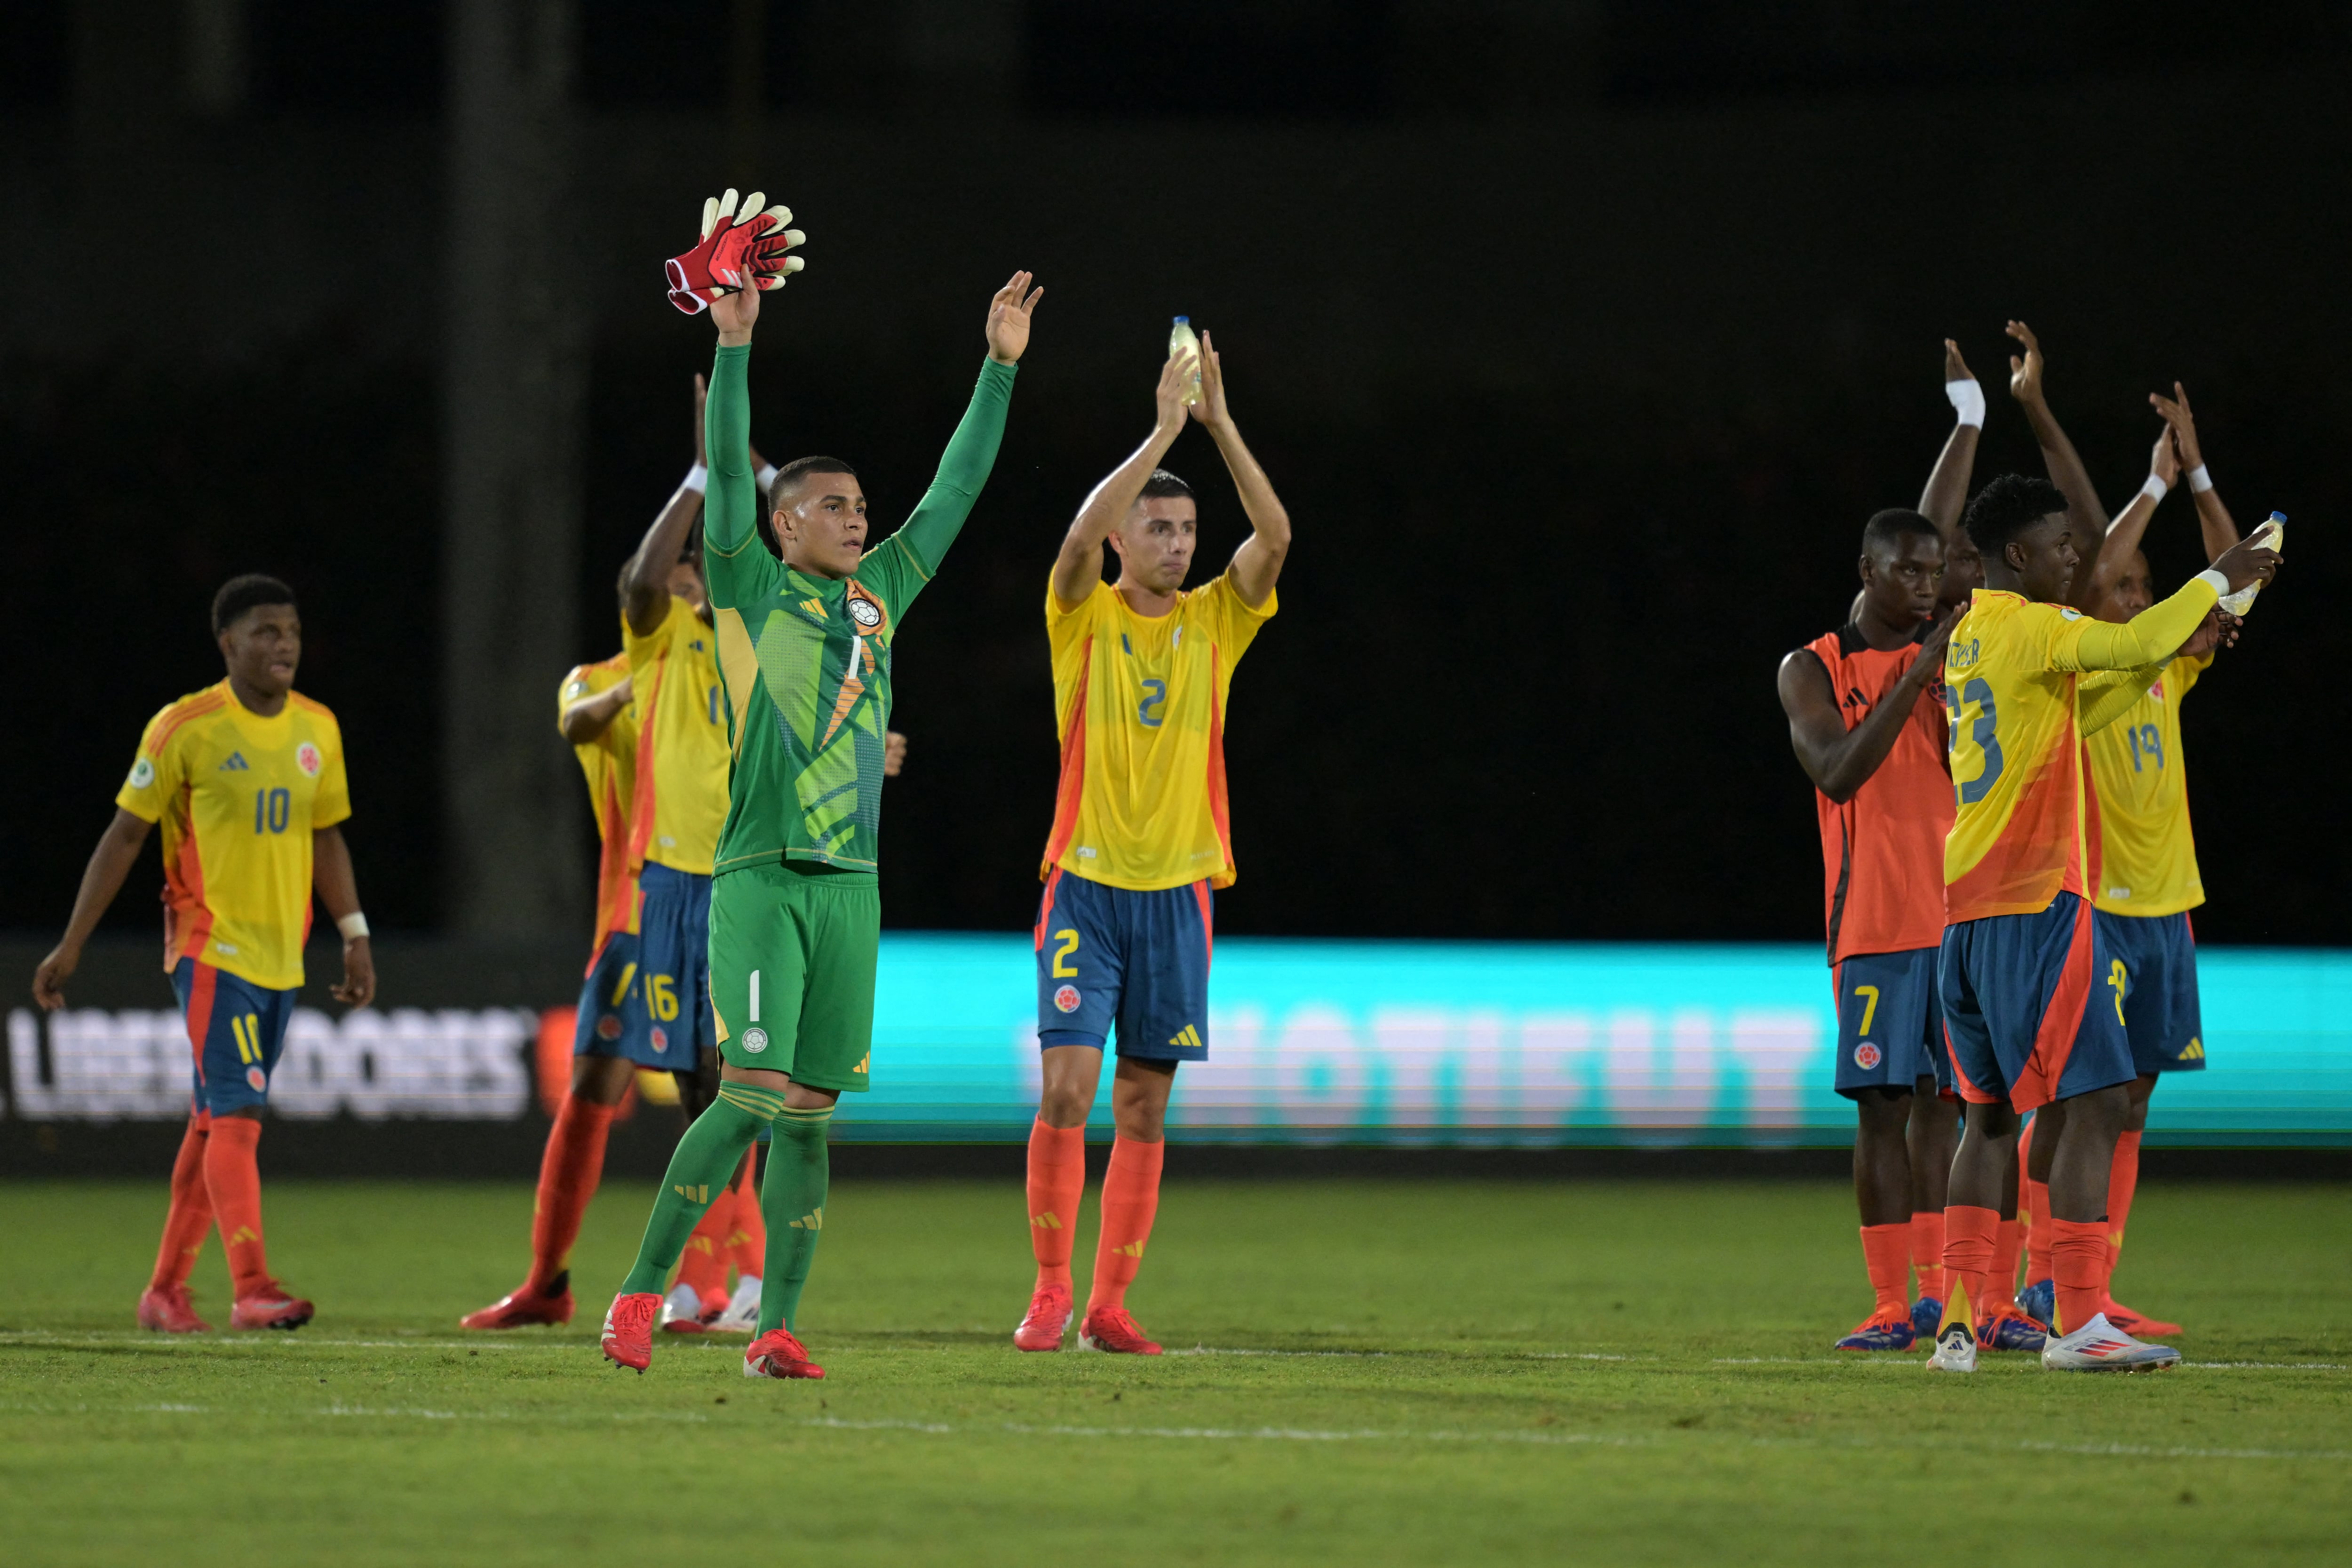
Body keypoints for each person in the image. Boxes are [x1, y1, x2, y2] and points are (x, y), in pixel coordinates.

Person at [599, 257, 1044, 1380]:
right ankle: (639, 1294)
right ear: (781, 520)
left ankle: (779, 1325)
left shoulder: (880, 590)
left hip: (851, 883)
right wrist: (737, 342)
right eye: (834, 507)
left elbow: (955, 492)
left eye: (858, 506)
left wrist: (996, 370)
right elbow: (729, 461)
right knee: (745, 1096)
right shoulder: (748, 581)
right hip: (756, 874)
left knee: (806, 1116)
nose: (857, 519)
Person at [1924, 473, 2273, 1373]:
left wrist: (2170, 647)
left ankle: (1958, 1321)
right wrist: (2218, 578)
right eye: (2058, 543)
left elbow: (2097, 702)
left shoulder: (1969, 639)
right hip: (2039, 905)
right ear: (2017, 556)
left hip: (1966, 911)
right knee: (2097, 1105)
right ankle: (2079, 1323)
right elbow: (2133, 636)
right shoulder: (2038, 625)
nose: (2074, 555)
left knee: (1989, 1118)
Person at [1014, 332, 1290, 1356]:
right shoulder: (1079, 616)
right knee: (1067, 1090)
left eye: (1185, 527)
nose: (1177, 542)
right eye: (1158, 528)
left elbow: (1276, 532)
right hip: (1084, 885)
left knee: (1141, 1099)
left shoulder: (1218, 620)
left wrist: (1217, 424)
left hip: (1179, 893)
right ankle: (1049, 1288)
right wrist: (1163, 427)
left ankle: (1109, 1304)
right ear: (1125, 540)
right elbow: (1077, 537)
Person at [33, 575, 373, 1333]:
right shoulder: (185, 727)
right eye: (264, 631)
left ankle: (163, 1290)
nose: (283, 642)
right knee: (240, 1115)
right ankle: (252, 1286)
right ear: (228, 644)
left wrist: (354, 932)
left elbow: (326, 835)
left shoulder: (319, 727)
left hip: (282, 956)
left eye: (290, 629)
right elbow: (124, 835)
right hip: (209, 949)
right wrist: (72, 943)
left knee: (211, 1119)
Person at [2013, 385, 2246, 1342]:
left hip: (2166, 907)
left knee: (2133, 1099)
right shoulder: (2083, 670)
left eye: (2148, 591)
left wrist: (2193, 471)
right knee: (2078, 1098)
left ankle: (2094, 1281)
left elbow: (2235, 575)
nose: (2143, 599)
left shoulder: (2168, 669)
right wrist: (2146, 488)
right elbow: (2099, 574)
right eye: (2127, 589)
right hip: (2090, 904)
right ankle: (2040, 1277)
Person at [1779, 510, 1967, 1351]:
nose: (1929, 585)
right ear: (1868, 569)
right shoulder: (1812, 667)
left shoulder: (1959, 658)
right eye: (1911, 571)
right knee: (1883, 1111)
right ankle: (1891, 1307)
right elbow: (1839, 771)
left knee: (1958, 1109)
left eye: (1936, 571)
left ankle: (1951, 1297)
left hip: (1968, 918)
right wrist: (1915, 675)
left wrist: (1970, 420)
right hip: (1876, 921)